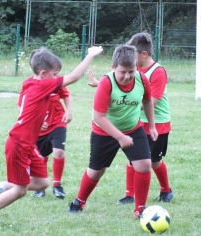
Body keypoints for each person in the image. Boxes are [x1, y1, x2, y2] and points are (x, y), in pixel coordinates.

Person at [0, 45, 103, 228]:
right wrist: (90, 55)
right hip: (19, 143)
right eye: (55, 74)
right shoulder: (43, 84)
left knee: (42, 183)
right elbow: (74, 77)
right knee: (20, 190)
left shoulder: (31, 83)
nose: (57, 78)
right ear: (44, 73)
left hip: (28, 144)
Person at [68, 44, 158, 218]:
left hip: (133, 129)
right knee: (96, 171)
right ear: (113, 67)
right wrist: (119, 137)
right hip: (104, 131)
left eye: (131, 71)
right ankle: (79, 201)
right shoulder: (106, 83)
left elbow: (147, 102)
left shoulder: (142, 80)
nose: (127, 76)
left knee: (144, 165)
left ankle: (140, 210)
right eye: (122, 71)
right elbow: (99, 117)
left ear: (136, 68)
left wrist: (152, 126)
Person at [117, 32, 173, 204]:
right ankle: (129, 195)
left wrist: (124, 104)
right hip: (137, 122)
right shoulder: (134, 70)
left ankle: (166, 190)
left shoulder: (158, 72)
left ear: (144, 54)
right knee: (133, 159)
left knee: (154, 161)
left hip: (157, 124)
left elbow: (151, 102)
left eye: (133, 55)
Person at [18, 84, 72, 199]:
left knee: (58, 152)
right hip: (38, 129)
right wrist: (35, 121)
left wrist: (69, 111)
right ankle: (40, 187)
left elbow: (66, 95)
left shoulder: (56, 82)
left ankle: (57, 185)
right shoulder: (28, 85)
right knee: (40, 157)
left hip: (58, 122)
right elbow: (21, 108)